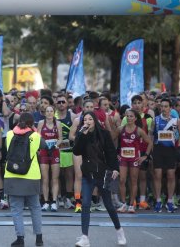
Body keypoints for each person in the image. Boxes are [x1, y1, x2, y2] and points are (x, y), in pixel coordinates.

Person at [73, 111, 126, 247]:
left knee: (108, 205)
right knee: (85, 204)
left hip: (103, 173)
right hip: (88, 174)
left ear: (95, 121)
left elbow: (111, 153)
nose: (88, 121)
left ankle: (119, 230)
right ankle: (85, 237)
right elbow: (76, 151)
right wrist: (82, 135)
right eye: (85, 119)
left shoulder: (104, 134)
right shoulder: (81, 134)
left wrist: (115, 168)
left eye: (90, 119)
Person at [5, 113, 43, 247]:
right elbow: (43, 147)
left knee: (16, 209)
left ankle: (20, 238)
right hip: (32, 177)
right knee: (35, 207)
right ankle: (39, 238)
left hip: (12, 175)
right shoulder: (36, 136)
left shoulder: (10, 134)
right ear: (32, 123)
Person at [37, 105, 62, 212]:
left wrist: (56, 145)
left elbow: (60, 138)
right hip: (44, 152)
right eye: (47, 111)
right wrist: (40, 147)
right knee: (45, 178)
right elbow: (37, 137)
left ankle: (54, 201)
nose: (49, 113)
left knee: (55, 178)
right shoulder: (41, 123)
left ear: (54, 112)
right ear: (45, 113)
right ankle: (46, 202)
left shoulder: (58, 123)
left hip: (54, 152)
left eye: (51, 111)